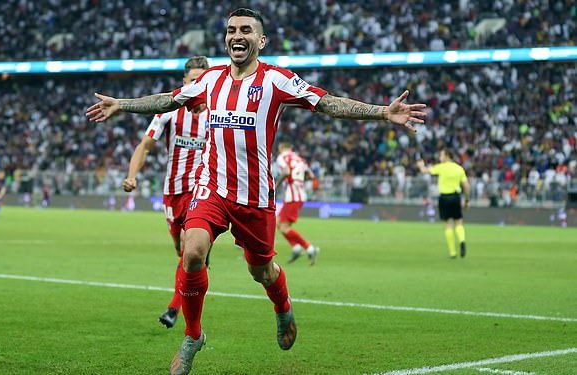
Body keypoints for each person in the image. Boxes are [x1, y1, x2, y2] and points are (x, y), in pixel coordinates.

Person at [86, 8, 427, 375]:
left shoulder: (277, 81)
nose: (237, 35)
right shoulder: (210, 80)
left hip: (255, 198)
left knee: (261, 270)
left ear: (260, 41)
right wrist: (121, 104)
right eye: (232, 29)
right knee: (193, 253)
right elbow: (168, 100)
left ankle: (282, 308)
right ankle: (193, 335)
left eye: (246, 30)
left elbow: (327, 103)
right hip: (211, 187)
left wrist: (381, 113)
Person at [123, 56, 210, 329]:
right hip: (173, 192)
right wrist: (132, 175)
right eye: (193, 79)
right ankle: (199, 264)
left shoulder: (218, 112)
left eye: (202, 79)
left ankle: (174, 308)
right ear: (184, 82)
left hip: (202, 191)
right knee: (180, 251)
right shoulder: (170, 111)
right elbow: (145, 146)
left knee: (188, 250)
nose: (198, 84)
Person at [417, 149, 470, 258]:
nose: (439, 157)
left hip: (444, 197)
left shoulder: (441, 167)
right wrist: (467, 200)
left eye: (441, 155)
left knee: (447, 224)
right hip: (456, 197)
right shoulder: (459, 168)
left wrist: (421, 165)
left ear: (447, 156)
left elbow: (424, 171)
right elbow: (466, 186)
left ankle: (452, 252)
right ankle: (462, 240)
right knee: (459, 222)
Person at [275, 142, 319, 265]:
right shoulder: (300, 159)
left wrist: (276, 185)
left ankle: (309, 248)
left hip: (292, 196)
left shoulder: (282, 157)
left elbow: (286, 171)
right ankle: (296, 248)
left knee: (284, 227)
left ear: (281, 148)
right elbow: (311, 175)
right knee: (278, 222)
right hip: (299, 194)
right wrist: (299, 180)